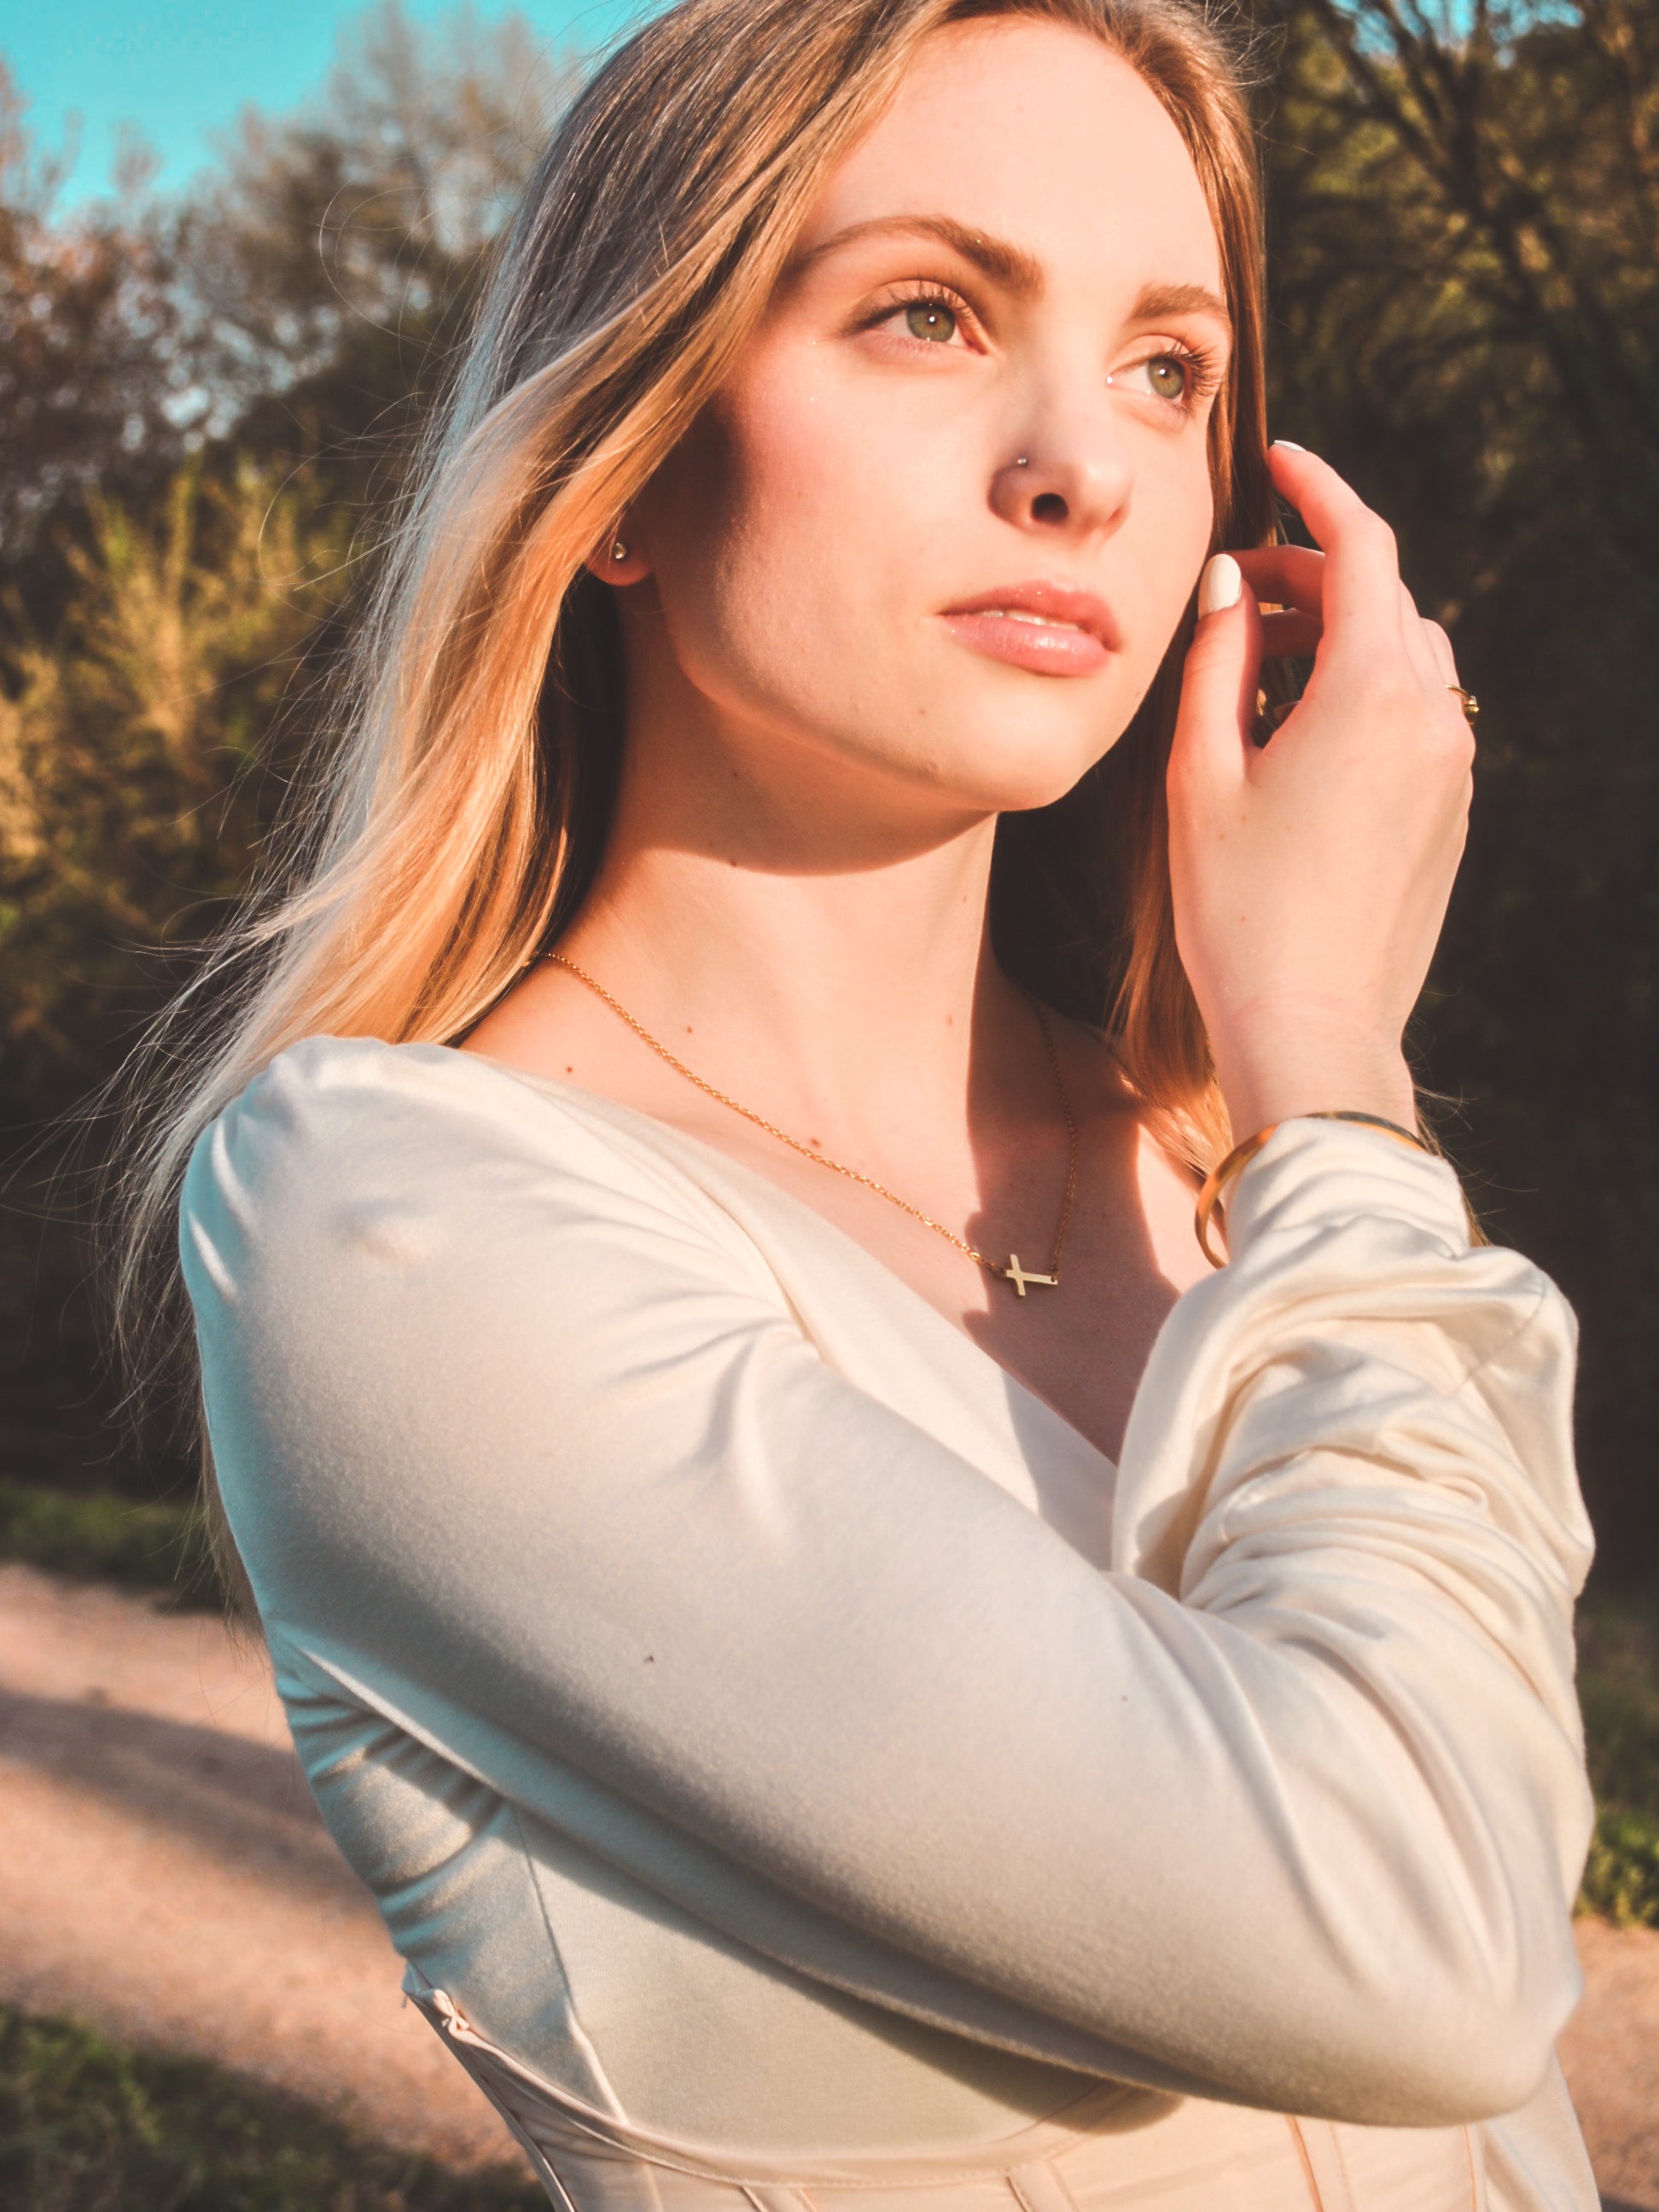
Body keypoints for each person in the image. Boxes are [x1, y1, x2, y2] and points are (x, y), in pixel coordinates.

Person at [125, 0, 1599, 2203]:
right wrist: (1338, 1081)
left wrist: (1298, 1127)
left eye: (1168, 368)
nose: (1081, 468)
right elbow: (1434, 1946)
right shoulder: (390, 1219)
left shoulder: (1225, 1174)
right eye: (928, 312)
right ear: (623, 461)